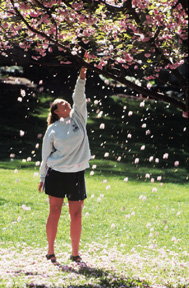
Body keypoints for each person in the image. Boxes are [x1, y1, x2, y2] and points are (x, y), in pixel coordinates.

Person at [38, 67, 91, 263]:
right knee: (55, 211)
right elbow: (45, 155)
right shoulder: (52, 129)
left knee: (76, 214)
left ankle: (75, 253)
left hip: (76, 174)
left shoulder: (79, 119)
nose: (65, 103)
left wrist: (82, 75)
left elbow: (79, 96)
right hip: (56, 174)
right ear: (56, 111)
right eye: (61, 104)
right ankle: (50, 251)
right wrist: (42, 177)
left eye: (65, 101)